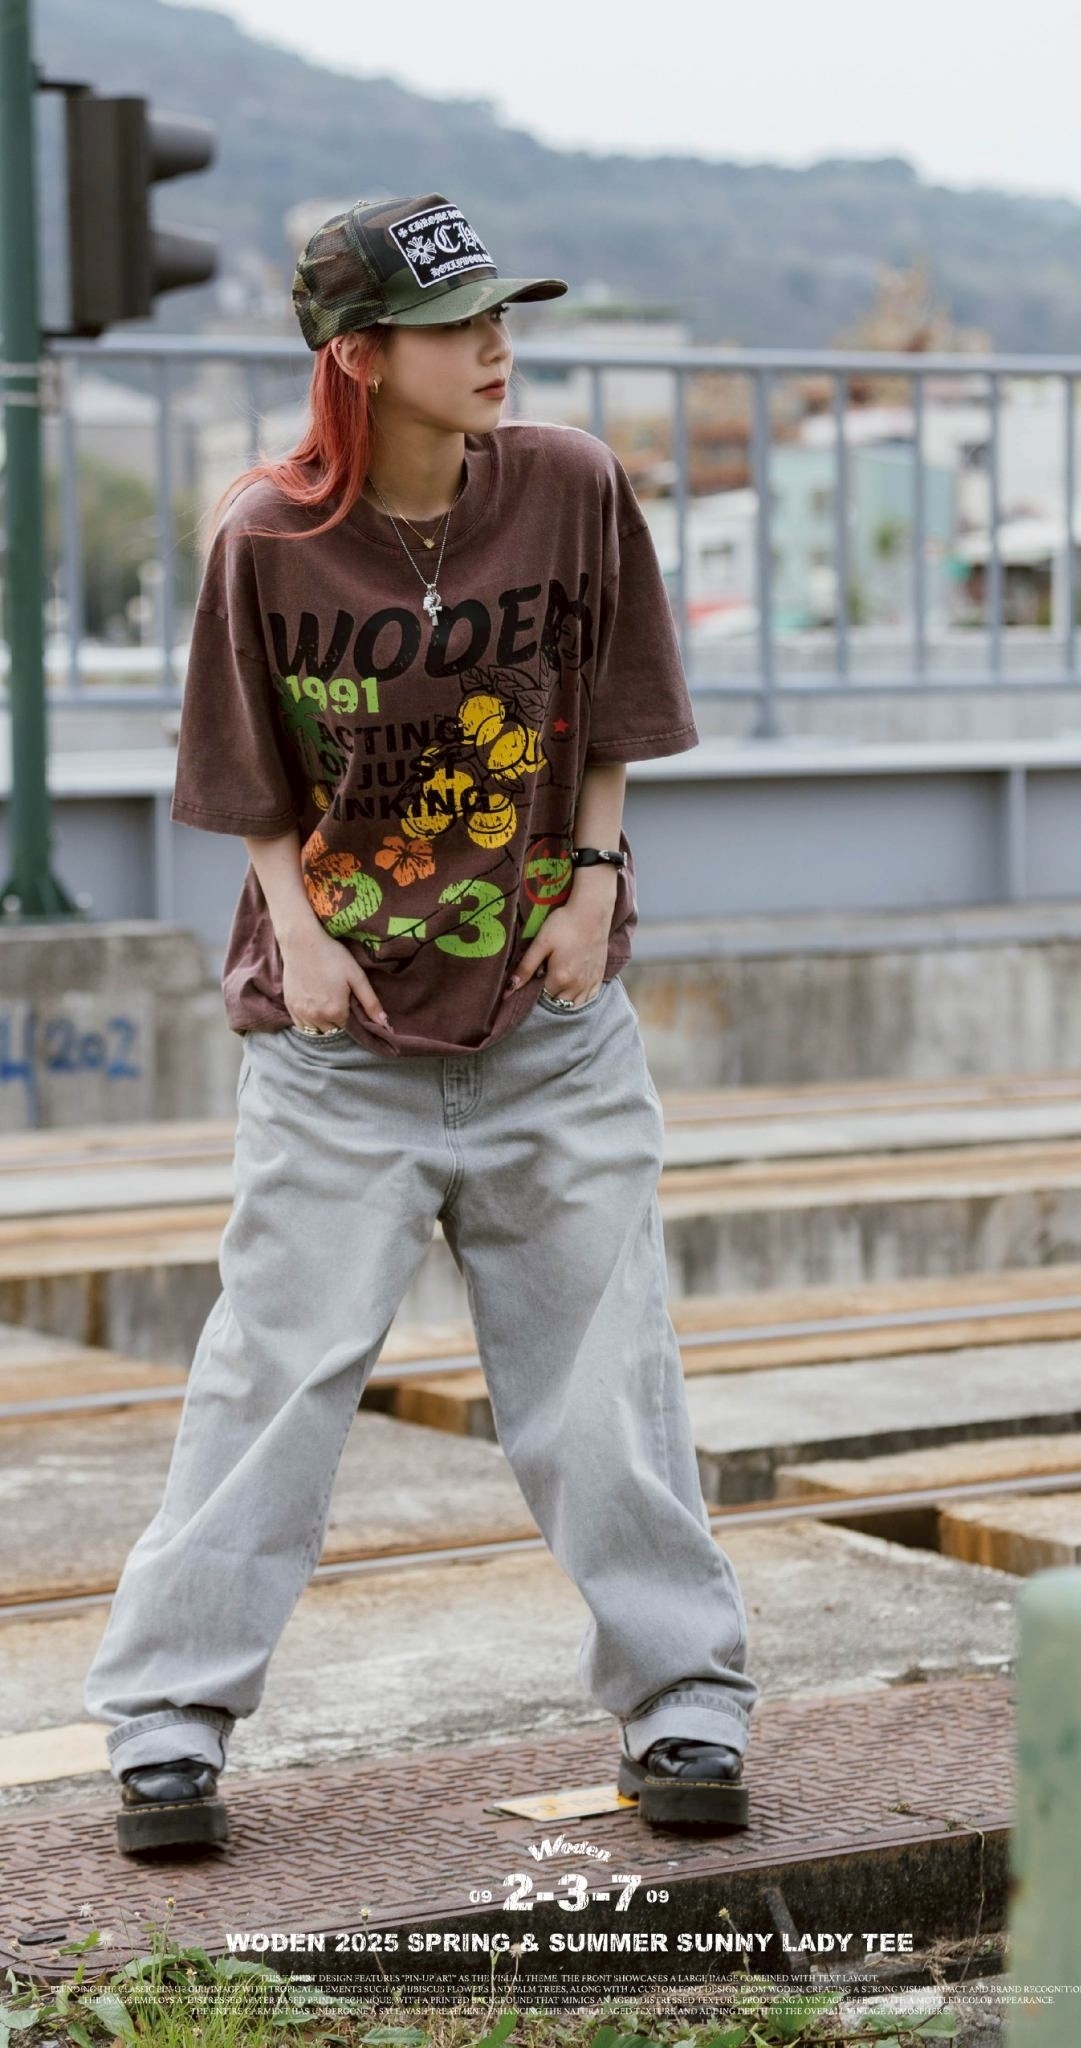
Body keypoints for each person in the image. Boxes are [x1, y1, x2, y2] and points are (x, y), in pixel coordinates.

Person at [83, 193, 757, 1857]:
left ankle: (686, 1701)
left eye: (501, 315)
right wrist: (300, 935)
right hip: (336, 1048)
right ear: (361, 356)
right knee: (272, 1382)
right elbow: (244, 776)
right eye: (459, 326)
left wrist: (595, 879)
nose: (497, 347)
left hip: (551, 1024)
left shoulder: (571, 485)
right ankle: (168, 1727)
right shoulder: (266, 537)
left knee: (604, 1381)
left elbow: (616, 700)